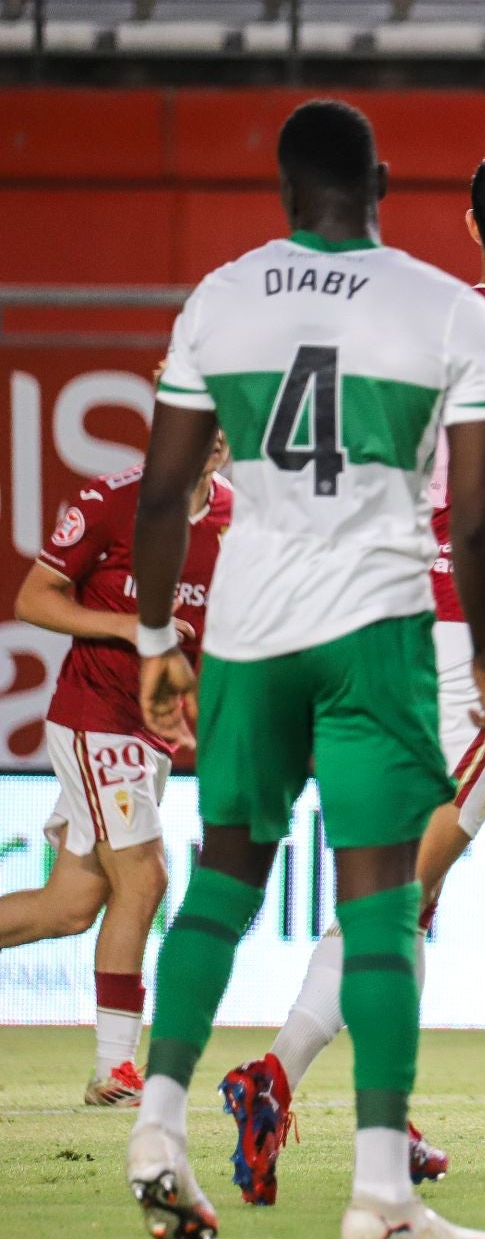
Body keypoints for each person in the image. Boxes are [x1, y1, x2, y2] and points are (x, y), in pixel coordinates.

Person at [219, 140, 485, 1206]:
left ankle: (387, 1100)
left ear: (469, 228)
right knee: (399, 885)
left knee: (414, 881)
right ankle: (273, 1073)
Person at [123, 97, 485, 1239]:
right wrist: (482, 652)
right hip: (376, 626)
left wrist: (156, 641)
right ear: (382, 178)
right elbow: (479, 522)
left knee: (224, 879)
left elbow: (161, 495)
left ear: (286, 191)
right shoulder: (446, 307)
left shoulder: (221, 297)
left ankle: (154, 1121)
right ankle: (382, 1193)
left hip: (246, 625)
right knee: (382, 900)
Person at [0, 434, 231, 1108]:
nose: (211, 434)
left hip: (147, 736)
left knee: (68, 909)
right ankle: (115, 1069)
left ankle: (114, 1065)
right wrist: (130, 626)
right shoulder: (111, 500)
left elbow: (218, 632)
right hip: (94, 716)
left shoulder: (239, 519)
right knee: (146, 875)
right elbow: (34, 599)